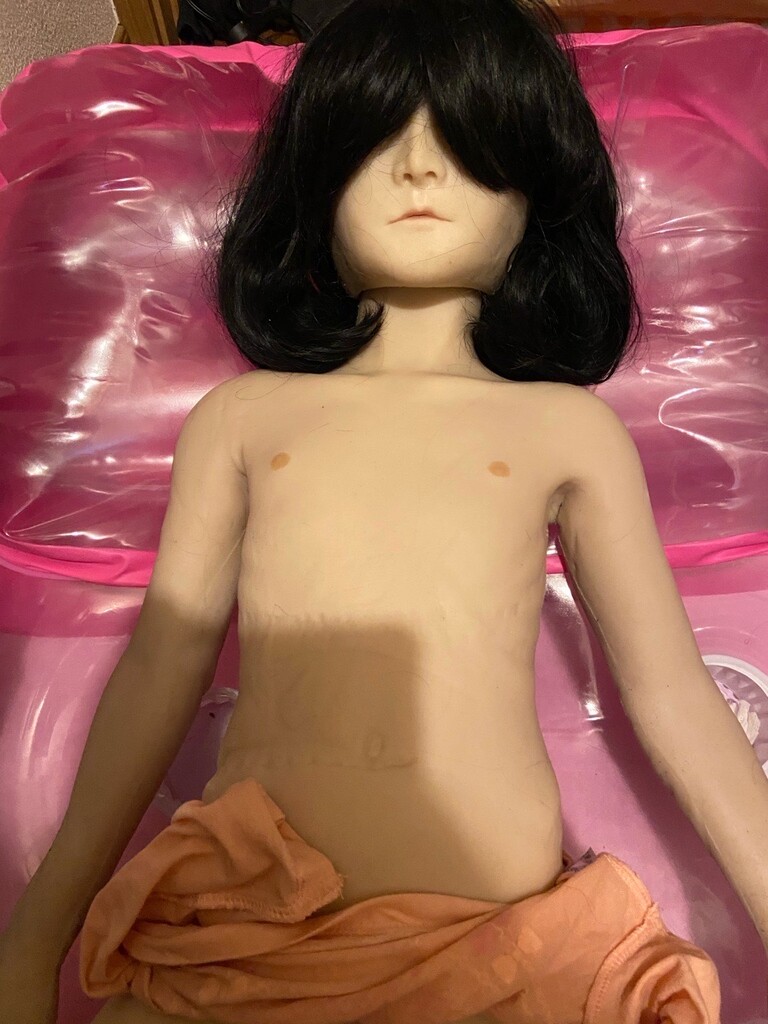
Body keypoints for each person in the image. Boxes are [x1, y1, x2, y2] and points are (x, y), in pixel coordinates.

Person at [1, 0, 765, 1021]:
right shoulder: (244, 419)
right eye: (377, 141)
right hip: (244, 946)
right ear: (315, 192)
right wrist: (37, 930)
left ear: (534, 200)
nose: (418, 170)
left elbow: (670, 694)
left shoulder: (565, 430)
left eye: (467, 142)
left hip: (499, 954)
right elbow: (161, 665)